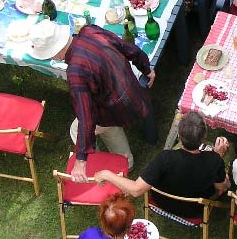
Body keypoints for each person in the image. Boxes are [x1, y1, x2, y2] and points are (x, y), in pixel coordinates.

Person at [29, 19, 154, 181]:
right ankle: (126, 161)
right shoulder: (90, 31)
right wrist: (146, 68)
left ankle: (106, 165)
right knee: (107, 127)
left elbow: (86, 116)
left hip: (116, 108)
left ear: (57, 51)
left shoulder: (76, 71)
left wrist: (81, 159)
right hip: (131, 91)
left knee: (77, 129)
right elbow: (127, 47)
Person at [94, 111, 229, 220]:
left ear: (180, 137)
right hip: (193, 210)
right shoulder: (214, 161)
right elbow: (222, 187)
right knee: (231, 151)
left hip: (162, 202)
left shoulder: (165, 158)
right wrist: (218, 156)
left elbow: (136, 190)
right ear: (204, 136)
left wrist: (106, 174)